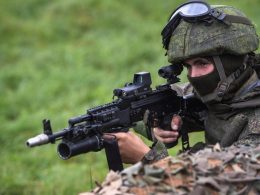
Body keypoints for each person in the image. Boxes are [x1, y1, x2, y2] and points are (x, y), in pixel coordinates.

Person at [112, 1, 260, 164]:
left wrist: (149, 158)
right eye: (188, 66)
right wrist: (157, 125)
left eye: (202, 63)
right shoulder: (224, 91)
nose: (193, 75)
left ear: (231, 64)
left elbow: (228, 182)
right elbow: (150, 106)